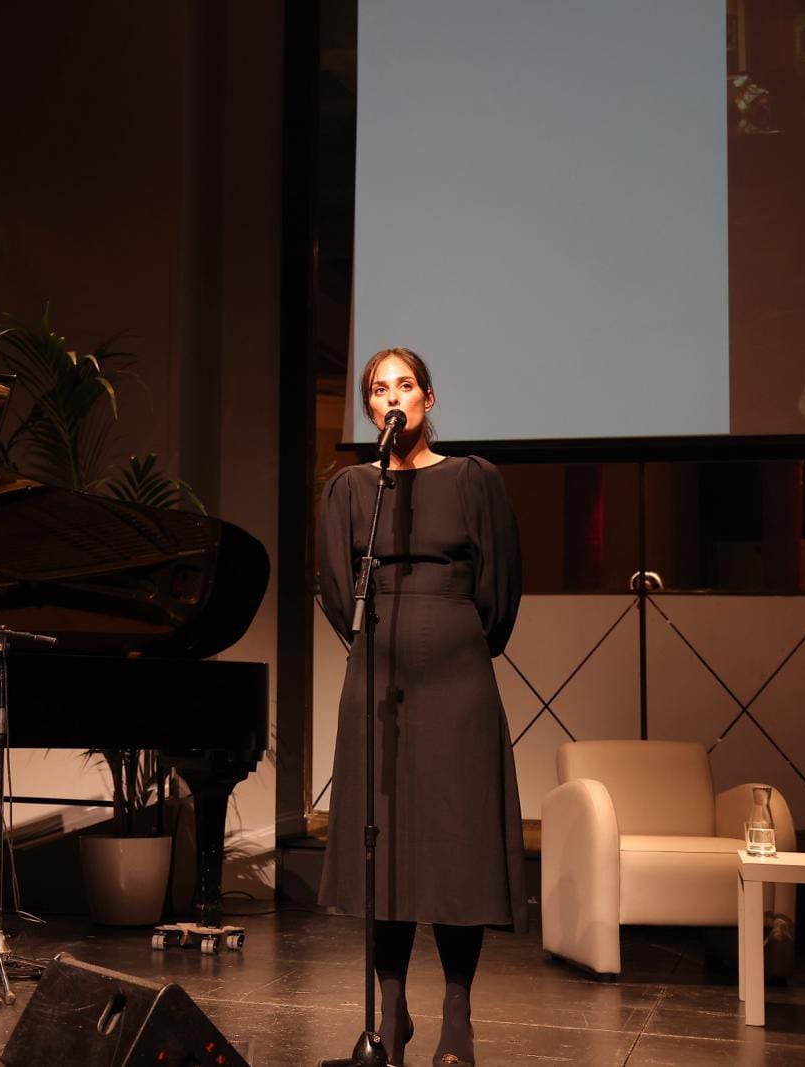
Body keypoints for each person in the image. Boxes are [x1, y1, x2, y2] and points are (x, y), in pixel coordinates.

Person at [316, 348, 525, 1067]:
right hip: (376, 679)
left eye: (404, 384)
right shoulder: (349, 488)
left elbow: (500, 591)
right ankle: (390, 1014)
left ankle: (458, 1017)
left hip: (459, 680)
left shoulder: (474, 479)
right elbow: (338, 593)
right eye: (379, 389)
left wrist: (451, 634)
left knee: (456, 846)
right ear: (369, 409)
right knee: (388, 843)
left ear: (428, 399)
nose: (391, 398)